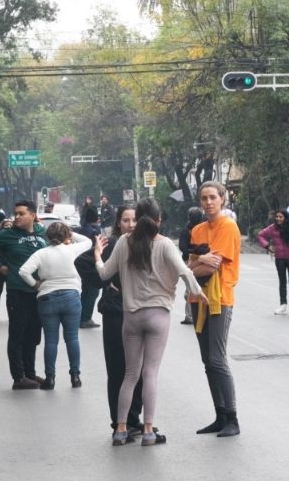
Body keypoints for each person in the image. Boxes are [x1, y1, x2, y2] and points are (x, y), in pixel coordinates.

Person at [95, 199, 206, 446]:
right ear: (158, 220)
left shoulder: (124, 242)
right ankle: (147, 430)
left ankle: (121, 430)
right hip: (157, 315)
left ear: (138, 218)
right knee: (150, 373)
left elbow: (104, 273)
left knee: (130, 374)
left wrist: (96, 256)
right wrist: (197, 292)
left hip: (131, 317)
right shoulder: (165, 244)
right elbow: (184, 272)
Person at [85, 206, 146, 438]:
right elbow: (83, 264)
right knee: (119, 370)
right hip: (115, 313)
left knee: (139, 370)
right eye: (126, 220)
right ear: (118, 223)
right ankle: (118, 423)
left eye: (134, 220)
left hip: (139, 312)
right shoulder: (111, 244)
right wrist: (107, 282)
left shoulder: (144, 244)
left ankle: (134, 419)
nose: (131, 225)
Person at [188, 181, 242, 437]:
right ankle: (220, 415)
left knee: (218, 359)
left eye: (212, 198)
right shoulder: (197, 230)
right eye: (204, 198)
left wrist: (191, 267)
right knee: (207, 360)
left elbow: (211, 267)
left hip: (220, 299)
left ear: (222, 199)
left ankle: (232, 417)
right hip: (198, 299)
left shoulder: (228, 227)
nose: (208, 202)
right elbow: (192, 264)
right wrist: (194, 265)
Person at [0, 200, 49, 390]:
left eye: (21, 213)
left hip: (39, 292)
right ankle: (18, 377)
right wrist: (1, 267)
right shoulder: (7, 235)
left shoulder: (42, 234)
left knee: (33, 335)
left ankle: (30, 373)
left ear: (33, 215)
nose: (17, 217)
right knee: (17, 334)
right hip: (18, 291)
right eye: (15, 213)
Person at [19, 222, 91, 390]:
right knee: (72, 338)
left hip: (47, 298)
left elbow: (23, 271)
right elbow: (88, 242)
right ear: (66, 236)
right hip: (71, 296)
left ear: (48, 237)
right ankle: (75, 376)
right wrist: (72, 235)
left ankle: (50, 379)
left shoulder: (41, 253)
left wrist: (35, 284)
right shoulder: (71, 249)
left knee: (51, 340)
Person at [178, 207, 205, 325]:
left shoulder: (203, 228)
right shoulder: (187, 230)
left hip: (198, 260)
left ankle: (192, 315)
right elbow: (183, 247)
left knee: (192, 287)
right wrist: (193, 251)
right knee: (191, 287)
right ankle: (190, 315)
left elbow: (183, 247)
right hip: (190, 261)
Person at [77, 208, 102, 329]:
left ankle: (81, 316)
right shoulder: (94, 232)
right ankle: (86, 318)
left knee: (85, 291)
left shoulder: (82, 229)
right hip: (91, 264)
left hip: (81, 264)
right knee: (92, 291)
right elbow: (98, 249)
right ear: (96, 218)